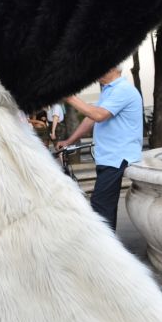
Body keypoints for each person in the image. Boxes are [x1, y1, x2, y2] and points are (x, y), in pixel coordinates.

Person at [57, 66, 143, 231]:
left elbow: (98, 115)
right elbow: (91, 119)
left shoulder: (122, 89)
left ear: (113, 69)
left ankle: (107, 251)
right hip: (109, 156)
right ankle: (107, 247)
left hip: (118, 156)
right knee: (103, 208)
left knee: (101, 208)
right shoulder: (109, 90)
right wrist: (69, 141)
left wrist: (69, 97)